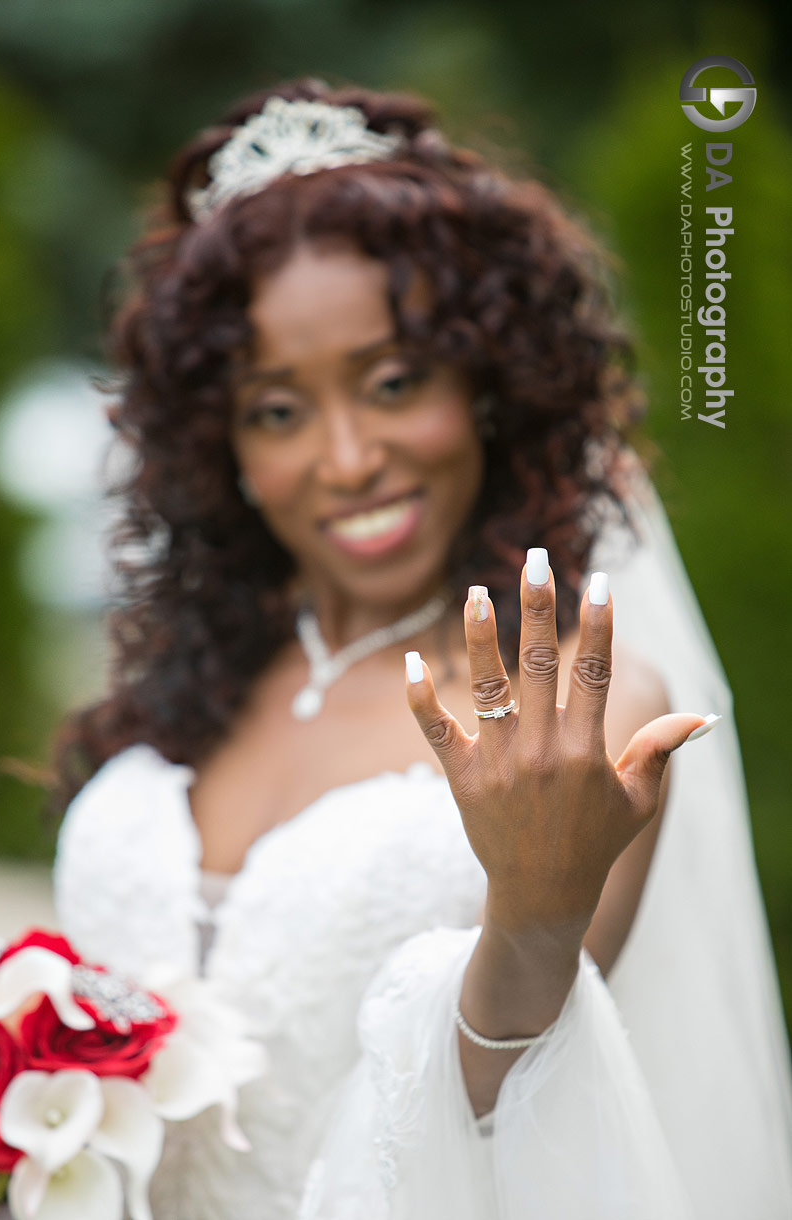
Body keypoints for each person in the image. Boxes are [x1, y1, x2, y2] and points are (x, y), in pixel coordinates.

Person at [49, 78, 792, 1219]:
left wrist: (538, 914)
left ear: (486, 387)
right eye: (277, 409)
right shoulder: (190, 688)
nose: (347, 459)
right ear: (220, 444)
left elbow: (498, 1105)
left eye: (394, 383)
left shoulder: (567, 704)